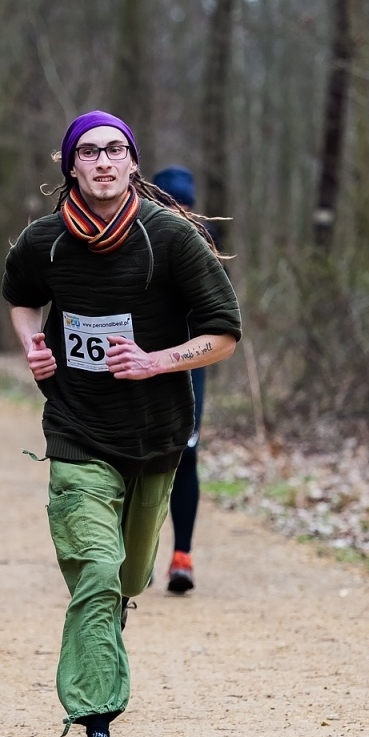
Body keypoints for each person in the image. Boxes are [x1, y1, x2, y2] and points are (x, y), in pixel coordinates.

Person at [2, 111, 241, 737]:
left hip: (156, 438)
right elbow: (20, 298)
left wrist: (157, 360)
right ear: (70, 166)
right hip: (77, 433)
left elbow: (224, 334)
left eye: (115, 150)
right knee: (98, 574)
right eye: (89, 151)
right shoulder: (45, 244)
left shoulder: (171, 239)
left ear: (133, 163)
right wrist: (32, 345)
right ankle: (95, 732)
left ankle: (111, 616)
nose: (103, 161)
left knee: (131, 573)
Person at [150, 167, 215, 594]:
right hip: (135, 363)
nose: (180, 212)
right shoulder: (135, 235)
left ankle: (182, 556)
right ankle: (125, 557)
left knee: (185, 457)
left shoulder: (207, 243)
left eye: (186, 205)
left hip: (189, 366)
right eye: (171, 203)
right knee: (132, 459)